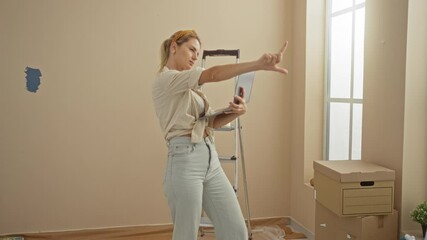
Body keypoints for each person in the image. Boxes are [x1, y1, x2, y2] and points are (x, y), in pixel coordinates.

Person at [152, 29, 288, 240]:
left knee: (236, 231)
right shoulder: (166, 80)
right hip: (184, 162)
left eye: (198, 53)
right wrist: (257, 65)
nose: (195, 57)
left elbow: (210, 123)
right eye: (191, 50)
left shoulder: (190, 89)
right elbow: (213, 74)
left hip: (209, 159)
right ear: (173, 47)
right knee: (186, 235)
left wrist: (235, 112)